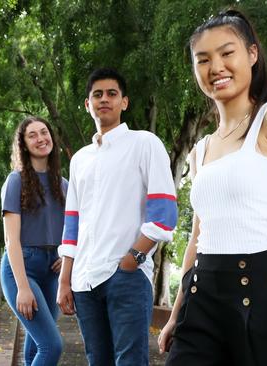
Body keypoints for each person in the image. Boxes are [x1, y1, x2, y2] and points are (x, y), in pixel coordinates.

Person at [158, 9, 267, 366]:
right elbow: (200, 235)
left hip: (265, 285)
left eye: (226, 53)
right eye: (203, 59)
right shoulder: (201, 148)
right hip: (202, 295)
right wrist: (177, 313)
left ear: (251, 55)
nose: (215, 66)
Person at [56, 68, 178, 365]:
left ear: (124, 102)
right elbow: (73, 223)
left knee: (130, 361)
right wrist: (65, 279)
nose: (104, 99)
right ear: (88, 104)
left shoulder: (144, 143)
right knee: (98, 360)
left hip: (126, 275)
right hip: (84, 281)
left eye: (112, 93)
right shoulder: (80, 160)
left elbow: (164, 213)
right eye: (97, 94)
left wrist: (133, 259)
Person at [0, 116, 68, 366]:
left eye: (44, 132)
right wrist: (22, 288)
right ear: (24, 145)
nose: (41, 138)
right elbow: (11, 239)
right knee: (52, 346)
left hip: (52, 272)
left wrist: (68, 255)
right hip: (22, 267)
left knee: (35, 350)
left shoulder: (64, 186)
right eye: (32, 135)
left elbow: (77, 231)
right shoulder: (15, 181)